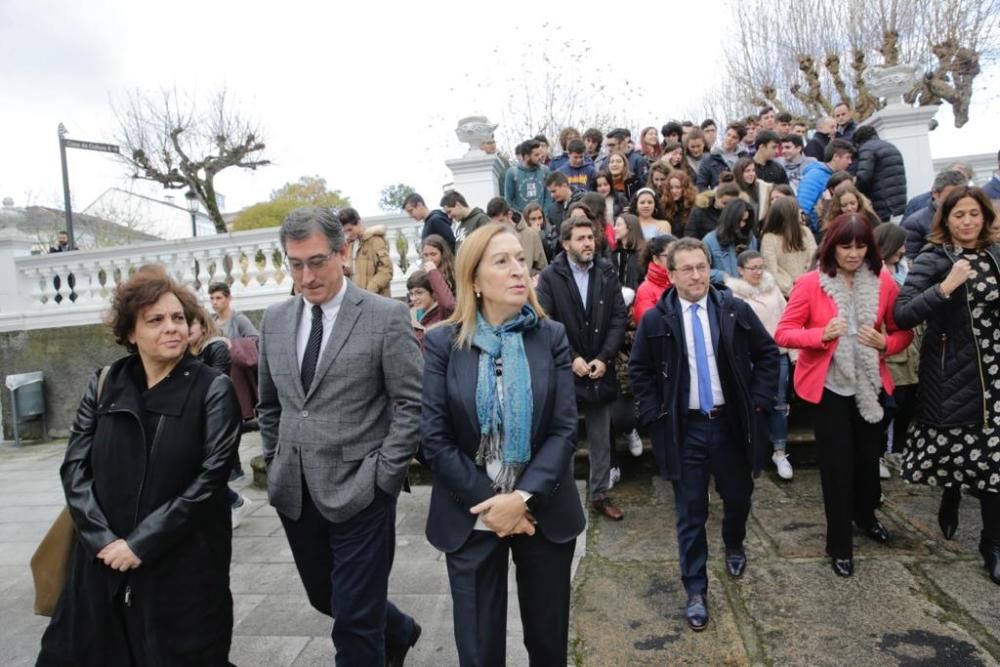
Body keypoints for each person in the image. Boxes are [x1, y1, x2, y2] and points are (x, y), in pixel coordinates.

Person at [37, 265, 242, 666]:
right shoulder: (104, 383)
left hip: (182, 569)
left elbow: (211, 479)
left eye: (179, 318)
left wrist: (140, 544)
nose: (172, 328)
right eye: (156, 320)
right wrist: (104, 542)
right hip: (101, 564)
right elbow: (75, 469)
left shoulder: (212, 389)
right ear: (131, 332)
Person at [257, 207, 423, 663]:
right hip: (295, 489)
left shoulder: (385, 316)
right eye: (295, 264)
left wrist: (385, 476)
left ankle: (379, 634)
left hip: (362, 489)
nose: (306, 277)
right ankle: (400, 628)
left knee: (353, 622)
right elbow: (269, 405)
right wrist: (274, 462)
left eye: (316, 262)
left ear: (342, 252)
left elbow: (412, 402)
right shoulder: (273, 320)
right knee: (327, 599)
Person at [421, 223, 586, 666]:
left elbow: (564, 429)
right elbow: (434, 439)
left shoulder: (550, 335)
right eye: (502, 261)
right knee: (478, 652)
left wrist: (523, 497)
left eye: (520, 259)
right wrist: (495, 505)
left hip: (543, 511)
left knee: (549, 647)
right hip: (470, 513)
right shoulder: (442, 343)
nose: (519, 270)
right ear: (473, 280)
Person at [629, 237, 779, 631]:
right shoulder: (657, 319)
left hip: (730, 425)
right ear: (672, 274)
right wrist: (653, 416)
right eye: (687, 269)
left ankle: (734, 542)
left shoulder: (733, 309)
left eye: (701, 267)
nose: (696, 275)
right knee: (690, 512)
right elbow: (639, 371)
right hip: (686, 429)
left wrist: (759, 401)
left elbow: (767, 354)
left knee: (739, 497)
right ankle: (695, 588)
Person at [775, 214, 913, 578]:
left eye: (861, 245)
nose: (853, 253)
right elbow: (785, 333)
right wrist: (819, 334)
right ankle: (839, 543)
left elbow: (903, 332)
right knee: (836, 468)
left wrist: (886, 342)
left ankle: (866, 518)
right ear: (831, 246)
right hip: (828, 388)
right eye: (845, 245)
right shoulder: (810, 283)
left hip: (870, 384)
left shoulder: (883, 283)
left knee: (868, 462)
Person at [893, 186, 1000, 584]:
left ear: (985, 217)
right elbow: (901, 314)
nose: (968, 222)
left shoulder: (996, 254)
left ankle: (992, 543)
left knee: (994, 461)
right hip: (953, 371)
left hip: (996, 372)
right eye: (959, 215)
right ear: (946, 221)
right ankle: (951, 491)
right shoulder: (934, 259)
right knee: (961, 451)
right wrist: (945, 287)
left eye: (974, 214)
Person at [536, 215, 628, 522]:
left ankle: (600, 493)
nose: (588, 243)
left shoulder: (606, 270)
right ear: (566, 244)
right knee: (562, 436)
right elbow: (545, 320)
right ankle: (557, 497)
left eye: (591, 237)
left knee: (602, 437)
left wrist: (604, 357)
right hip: (565, 370)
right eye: (581, 238)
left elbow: (617, 316)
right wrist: (571, 357)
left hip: (600, 368)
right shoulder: (550, 277)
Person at [725, 250, 793, 479]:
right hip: (745, 357)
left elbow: (787, 319)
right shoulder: (732, 295)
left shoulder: (773, 289)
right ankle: (750, 448)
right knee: (749, 402)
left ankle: (780, 451)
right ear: (741, 270)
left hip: (778, 352)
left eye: (760, 267)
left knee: (779, 403)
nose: (757, 272)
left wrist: (794, 354)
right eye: (752, 268)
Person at [189, 305, 253, 526]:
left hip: (218, 415)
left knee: (212, 470)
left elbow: (216, 380)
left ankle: (235, 502)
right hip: (197, 418)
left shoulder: (216, 347)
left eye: (191, 323)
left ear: (202, 324)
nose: (186, 328)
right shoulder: (189, 350)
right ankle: (233, 501)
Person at [873, 222, 918, 480]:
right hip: (887, 345)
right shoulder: (877, 273)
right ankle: (879, 452)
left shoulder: (904, 268)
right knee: (891, 402)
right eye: (900, 243)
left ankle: (896, 451)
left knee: (906, 402)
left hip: (909, 344)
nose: (903, 249)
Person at [901, 169, 968, 259]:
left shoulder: (972, 219)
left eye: (961, 196)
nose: (955, 201)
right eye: (950, 196)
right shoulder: (915, 223)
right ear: (935, 194)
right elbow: (910, 261)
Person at [759, 197, 817, 297]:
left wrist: (804, 284)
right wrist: (792, 290)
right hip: (784, 294)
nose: (801, 211)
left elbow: (814, 259)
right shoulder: (769, 238)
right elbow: (772, 269)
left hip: (808, 289)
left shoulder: (806, 232)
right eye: (797, 209)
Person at [797, 139, 855, 232]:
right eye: (847, 157)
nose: (850, 162)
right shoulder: (814, 177)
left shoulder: (835, 175)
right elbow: (803, 209)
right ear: (836, 157)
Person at [853, 126, 907, 223]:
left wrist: (855, 192)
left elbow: (863, 177)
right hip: (897, 202)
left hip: (881, 204)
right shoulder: (891, 146)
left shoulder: (867, 149)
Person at [338, 207, 394, 296]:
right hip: (356, 298)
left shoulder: (375, 241)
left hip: (376, 299)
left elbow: (386, 271)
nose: (348, 234)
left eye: (350, 229)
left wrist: (369, 291)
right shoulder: (349, 244)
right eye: (345, 231)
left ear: (359, 223)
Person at [486, 197, 548, 275]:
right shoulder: (489, 239)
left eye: (501, 221)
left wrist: (530, 278)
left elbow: (543, 267)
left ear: (509, 215)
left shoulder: (530, 235)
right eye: (493, 224)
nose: (497, 227)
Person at [703, 199, 759, 280]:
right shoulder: (710, 240)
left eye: (745, 221)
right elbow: (703, 270)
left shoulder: (751, 239)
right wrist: (722, 276)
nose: (742, 225)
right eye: (739, 221)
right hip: (723, 289)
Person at [406, 264, 455, 351]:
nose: (413, 298)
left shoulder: (442, 314)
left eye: (419, 293)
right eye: (411, 293)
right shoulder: (407, 314)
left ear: (433, 293)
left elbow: (448, 304)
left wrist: (433, 273)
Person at [633, 234, 675, 325]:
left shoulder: (682, 283)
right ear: (656, 259)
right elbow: (650, 324)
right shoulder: (645, 290)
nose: (675, 260)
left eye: (677, 255)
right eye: (669, 256)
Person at [696, 122, 748, 191]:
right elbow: (701, 185)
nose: (729, 139)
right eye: (728, 135)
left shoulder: (744, 158)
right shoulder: (710, 158)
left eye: (734, 137)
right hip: (718, 198)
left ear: (739, 141)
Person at [504, 139, 553, 213]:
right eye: (536, 155)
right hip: (520, 219)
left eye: (540, 154)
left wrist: (544, 215)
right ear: (526, 156)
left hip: (541, 218)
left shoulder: (545, 171)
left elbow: (549, 197)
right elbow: (508, 200)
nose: (540, 157)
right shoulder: (512, 173)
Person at [612, 213, 646, 290]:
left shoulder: (643, 254)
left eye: (618, 225)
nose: (614, 228)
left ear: (629, 227)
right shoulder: (616, 253)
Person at [663, 170, 697, 238]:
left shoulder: (694, 207)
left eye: (678, 187)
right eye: (671, 188)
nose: (674, 191)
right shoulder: (665, 205)